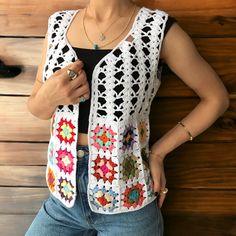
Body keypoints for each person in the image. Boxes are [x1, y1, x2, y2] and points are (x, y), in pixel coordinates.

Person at [25, 0, 229, 235]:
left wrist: (159, 152)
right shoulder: (58, 24)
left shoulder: (157, 29)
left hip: (129, 198)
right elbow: (36, 108)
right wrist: (49, 98)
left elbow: (216, 99)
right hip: (62, 199)